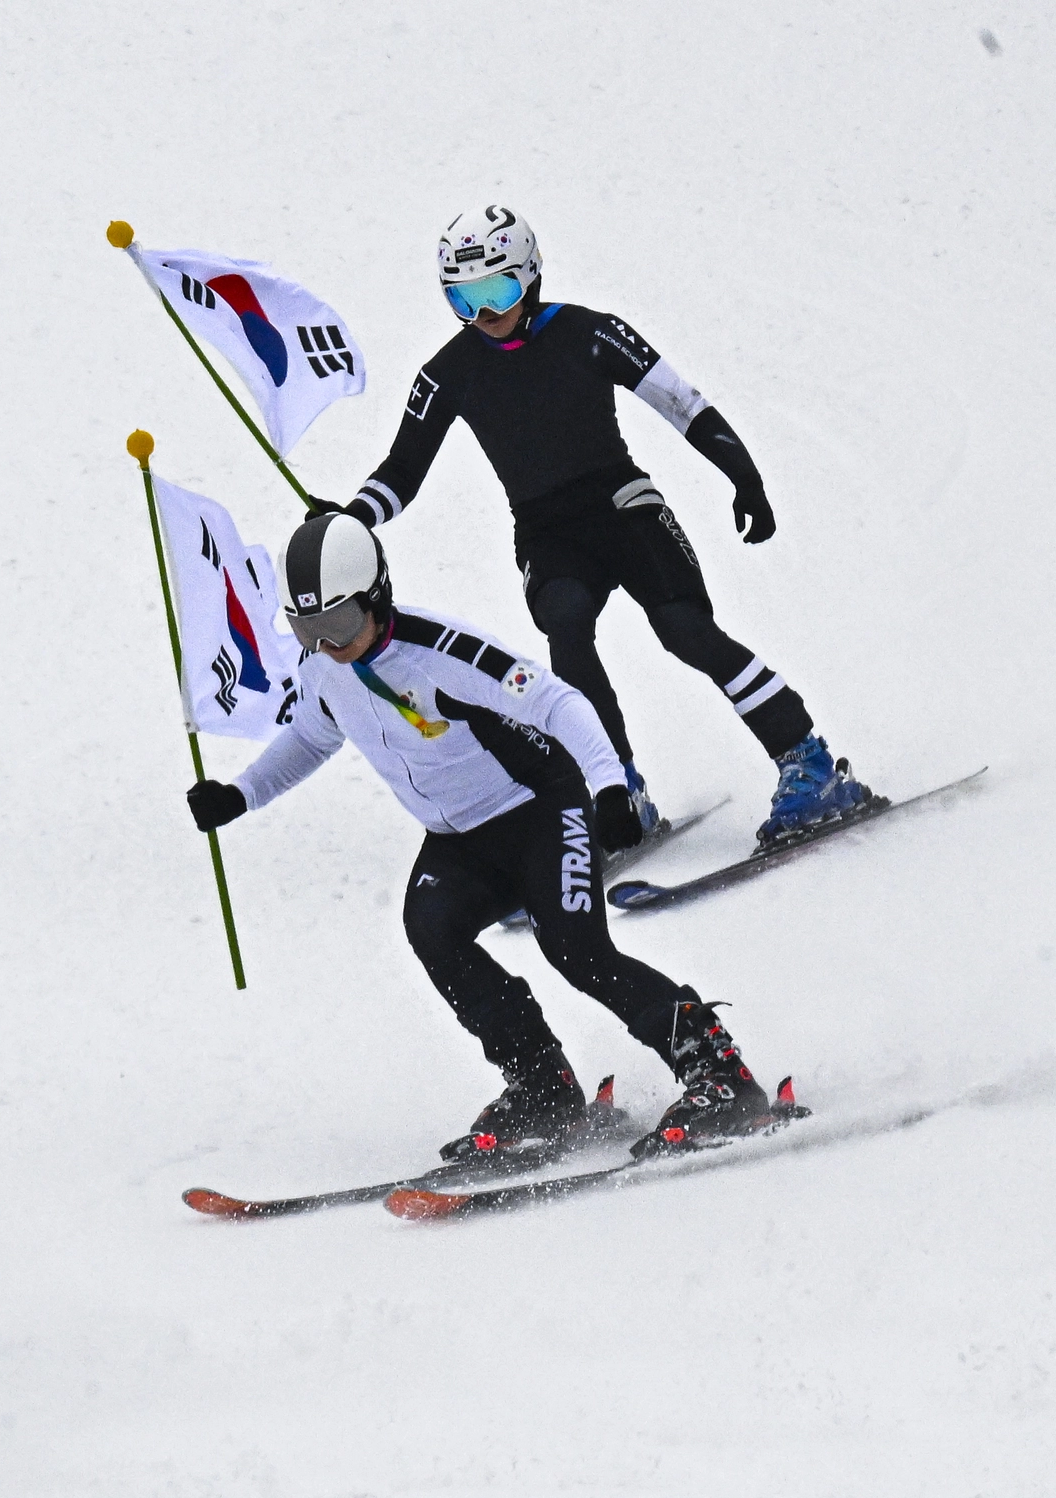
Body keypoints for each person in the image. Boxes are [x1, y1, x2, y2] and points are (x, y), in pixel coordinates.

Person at [184, 514, 796, 1158]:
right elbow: (312, 734)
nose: (326, 644)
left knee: (576, 950)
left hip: (538, 809)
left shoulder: (442, 653)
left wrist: (610, 786)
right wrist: (241, 794)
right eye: (307, 629)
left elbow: (559, 702)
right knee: (433, 930)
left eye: (338, 624)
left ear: (377, 595)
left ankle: (718, 1071)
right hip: (460, 837)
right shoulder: (325, 670)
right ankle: (541, 1082)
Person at [327, 203, 872, 845]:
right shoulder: (447, 373)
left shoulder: (590, 332)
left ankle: (807, 759)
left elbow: (682, 404)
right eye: (464, 299)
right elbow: (403, 468)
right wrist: (351, 518)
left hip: (623, 506)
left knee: (686, 632)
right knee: (565, 624)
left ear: (530, 278)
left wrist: (743, 475)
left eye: (497, 291)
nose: (484, 315)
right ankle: (619, 790)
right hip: (546, 531)